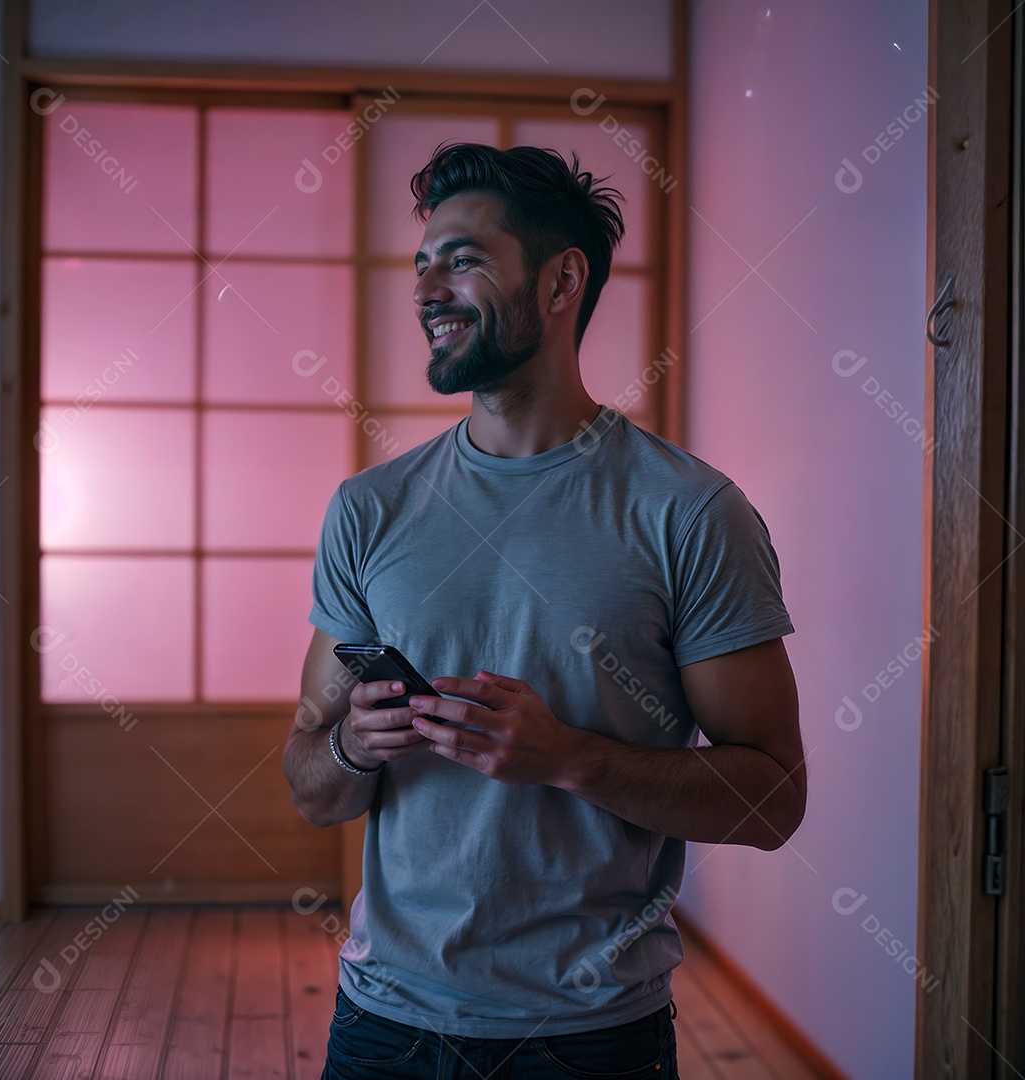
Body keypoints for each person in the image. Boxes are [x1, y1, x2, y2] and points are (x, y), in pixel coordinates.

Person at [282, 142, 806, 1079]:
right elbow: (310, 785)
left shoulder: (688, 511)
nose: (428, 288)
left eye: (465, 258)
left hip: (590, 1039)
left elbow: (773, 800)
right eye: (422, 262)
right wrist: (356, 746)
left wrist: (569, 759)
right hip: (381, 1026)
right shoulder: (370, 509)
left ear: (563, 281)